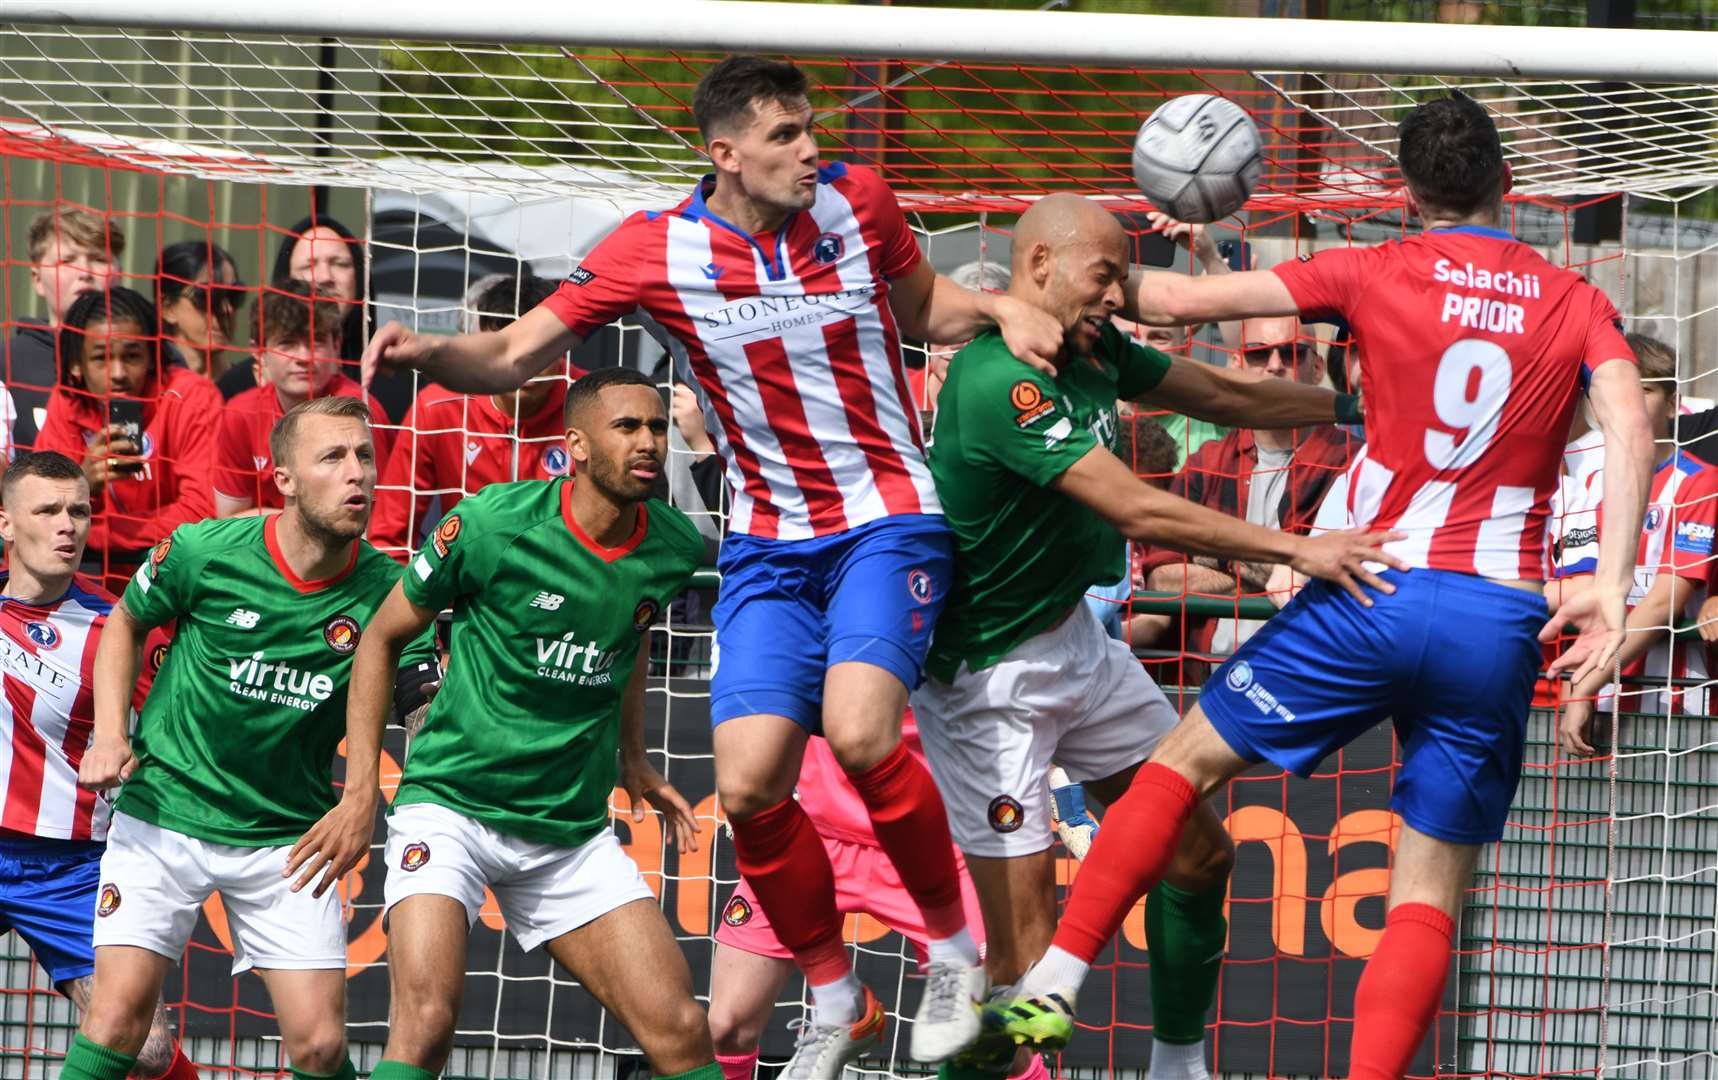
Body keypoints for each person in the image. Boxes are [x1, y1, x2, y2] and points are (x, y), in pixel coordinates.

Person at [361, 55, 1063, 1075]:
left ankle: (959, 960)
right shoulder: (658, 250)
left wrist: (995, 310)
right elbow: (515, 356)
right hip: (769, 541)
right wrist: (430, 354)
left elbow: (918, 308)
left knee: (864, 736)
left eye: (812, 128)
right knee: (743, 789)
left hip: (884, 517)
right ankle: (835, 993)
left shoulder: (858, 202)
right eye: (786, 136)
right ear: (723, 153)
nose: (811, 149)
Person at [987, 93, 1654, 1080]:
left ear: (1404, 188)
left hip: (1371, 585)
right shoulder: (1571, 299)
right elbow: (1631, 420)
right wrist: (1605, 583)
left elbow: (1169, 306)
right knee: (1425, 891)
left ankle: (1052, 981)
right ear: (1505, 188)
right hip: (1493, 618)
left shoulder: (1369, 268)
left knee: (1175, 769)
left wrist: (1095, 274)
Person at [913, 192, 1394, 1080]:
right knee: (1024, 970)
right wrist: (1299, 549)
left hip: (1079, 647)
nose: (1120, 294)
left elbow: (1215, 388)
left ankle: (1178, 1064)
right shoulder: (996, 380)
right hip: (991, 682)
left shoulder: (1090, 347)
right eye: (1107, 275)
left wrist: (1351, 408)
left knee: (1201, 854)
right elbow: (1133, 506)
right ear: (1042, 267)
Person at [346, 367, 718, 1080]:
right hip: (450, 809)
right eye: (627, 428)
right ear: (575, 445)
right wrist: (364, 784)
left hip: (567, 833)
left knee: (681, 1028)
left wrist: (634, 757)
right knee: (425, 1025)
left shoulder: (669, 546)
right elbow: (382, 635)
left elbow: (631, 632)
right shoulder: (492, 524)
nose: (648, 443)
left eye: (656, 427)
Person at [63, 395, 435, 1080]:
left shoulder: (392, 590)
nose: (357, 473)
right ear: (284, 478)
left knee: (321, 1048)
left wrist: (369, 799)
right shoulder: (206, 549)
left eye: (363, 456)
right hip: (165, 815)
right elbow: (124, 622)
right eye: (332, 457)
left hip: (286, 839)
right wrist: (111, 732)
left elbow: (421, 707)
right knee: (116, 1022)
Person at [0, 451, 194, 1080]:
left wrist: (141, 759)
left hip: (73, 867)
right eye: (48, 510)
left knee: (147, 1051)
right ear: (6, 524)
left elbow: (180, 723)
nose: (69, 526)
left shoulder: (119, 626)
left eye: (79, 511)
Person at [706, 709, 1010, 1080]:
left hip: (933, 836)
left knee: (991, 1038)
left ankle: (847, 1013)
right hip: (811, 830)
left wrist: (1060, 790)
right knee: (726, 1026)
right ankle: (845, 1010)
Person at [1139, 316, 1360, 657]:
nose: (1274, 366)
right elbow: (1162, 578)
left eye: (1291, 353)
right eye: (1258, 354)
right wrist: (1279, 567)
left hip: (1304, 673)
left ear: (1316, 368)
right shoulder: (1208, 462)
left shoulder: (1352, 462)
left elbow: (1336, 582)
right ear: (1235, 365)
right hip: (1204, 673)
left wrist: (1216, 553)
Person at [1553, 333, 1718, 752]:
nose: (1629, 403)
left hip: (1674, 693)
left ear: (1671, 399)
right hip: (1594, 685)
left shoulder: (1699, 481)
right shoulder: (1586, 479)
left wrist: (1585, 683)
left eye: (1644, 390)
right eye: (1616, 391)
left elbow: (1665, 601)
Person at [369, 274, 576, 559]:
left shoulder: (592, 402)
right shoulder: (439, 407)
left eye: (541, 351)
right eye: (514, 351)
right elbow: (388, 537)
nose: (530, 365)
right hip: (465, 588)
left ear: (563, 346)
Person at [36, 288, 220, 594]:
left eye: (132, 356)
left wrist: (93, 532)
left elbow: (201, 514)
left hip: (175, 580)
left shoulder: (192, 397)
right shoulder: (67, 400)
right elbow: (41, 510)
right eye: (102, 358)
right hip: (85, 585)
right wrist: (82, 483)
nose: (118, 373)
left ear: (151, 356)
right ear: (76, 365)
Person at [214, 281, 392, 517]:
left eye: (316, 341)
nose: (304, 357)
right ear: (258, 352)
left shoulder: (360, 412)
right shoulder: (241, 414)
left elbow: (378, 520)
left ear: (336, 345)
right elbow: (229, 518)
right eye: (287, 343)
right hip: (263, 550)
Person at [9, 206, 124, 450]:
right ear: (37, 279)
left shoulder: (156, 359)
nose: (85, 272)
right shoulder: (7, 361)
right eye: (67, 260)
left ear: (119, 274)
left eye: (99, 259)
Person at [153, 240, 245, 379]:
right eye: (208, 296)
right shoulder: (151, 389)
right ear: (168, 308)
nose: (226, 309)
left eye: (234, 295)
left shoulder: (251, 388)